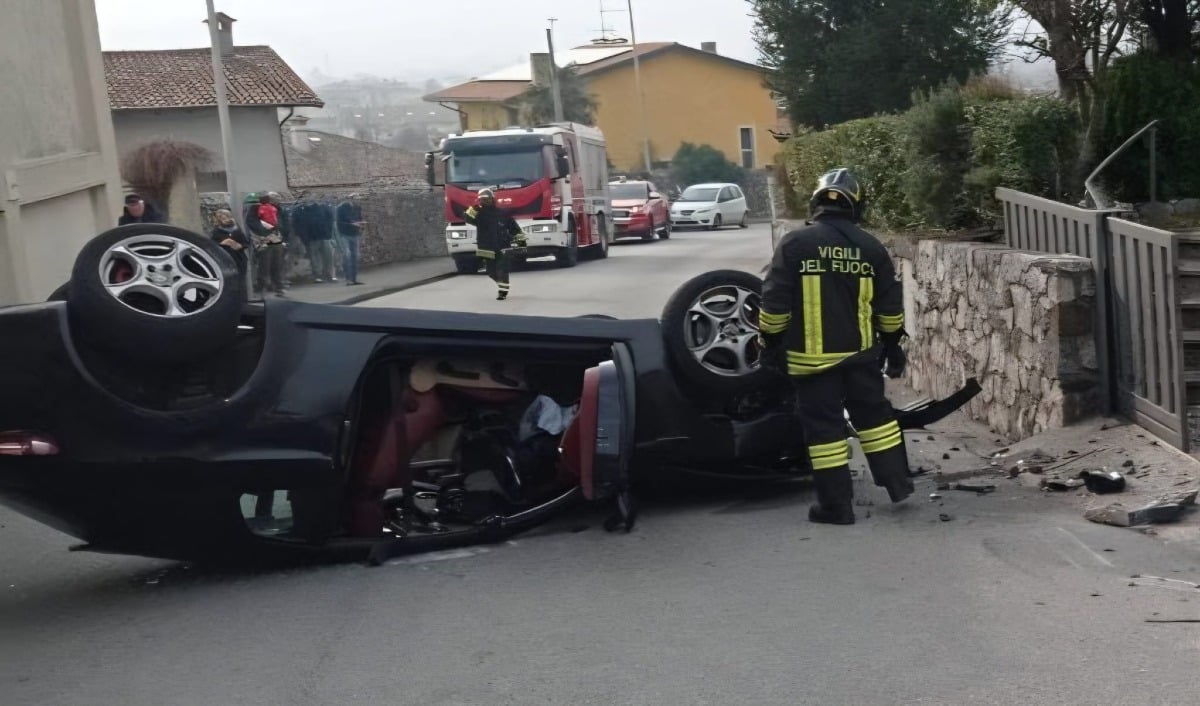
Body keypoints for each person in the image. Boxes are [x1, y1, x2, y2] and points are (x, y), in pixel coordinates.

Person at [758, 168, 911, 525]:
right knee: (876, 419)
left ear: (816, 203)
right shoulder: (871, 248)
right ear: (856, 206)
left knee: (824, 431)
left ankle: (836, 506)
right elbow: (889, 309)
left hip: (812, 364)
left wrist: (770, 344)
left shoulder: (795, 245)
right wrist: (892, 347)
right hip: (860, 357)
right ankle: (898, 485)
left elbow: (774, 304)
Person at [463, 188, 526, 300]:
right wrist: (473, 208)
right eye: (482, 199)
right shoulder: (479, 214)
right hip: (486, 248)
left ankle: (503, 291)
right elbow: (467, 218)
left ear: (492, 199)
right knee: (491, 272)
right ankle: (502, 285)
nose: (485, 201)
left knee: (502, 269)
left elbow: (515, 229)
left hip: (503, 247)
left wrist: (522, 242)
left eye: (487, 199)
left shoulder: (503, 214)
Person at [245, 192, 286, 296]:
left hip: (272, 238)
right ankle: (265, 286)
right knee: (265, 264)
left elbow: (282, 221)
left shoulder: (276, 208)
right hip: (266, 239)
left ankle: (277, 286)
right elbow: (252, 223)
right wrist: (269, 230)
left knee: (275, 263)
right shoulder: (255, 209)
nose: (276, 199)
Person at [209, 209, 250, 292]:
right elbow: (212, 245)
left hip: (239, 259)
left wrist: (239, 245)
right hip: (224, 259)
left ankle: (242, 299)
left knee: (240, 280)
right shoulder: (216, 231)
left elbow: (246, 243)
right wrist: (222, 243)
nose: (224, 218)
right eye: (220, 217)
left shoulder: (237, 229)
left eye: (226, 216)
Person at [336, 194, 367, 286]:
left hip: (355, 234)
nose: (357, 200)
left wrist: (361, 224)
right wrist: (353, 223)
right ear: (350, 198)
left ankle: (354, 279)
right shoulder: (341, 207)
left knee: (355, 256)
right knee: (347, 255)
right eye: (355, 198)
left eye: (358, 198)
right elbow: (340, 221)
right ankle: (348, 279)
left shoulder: (357, 207)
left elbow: (359, 217)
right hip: (344, 234)